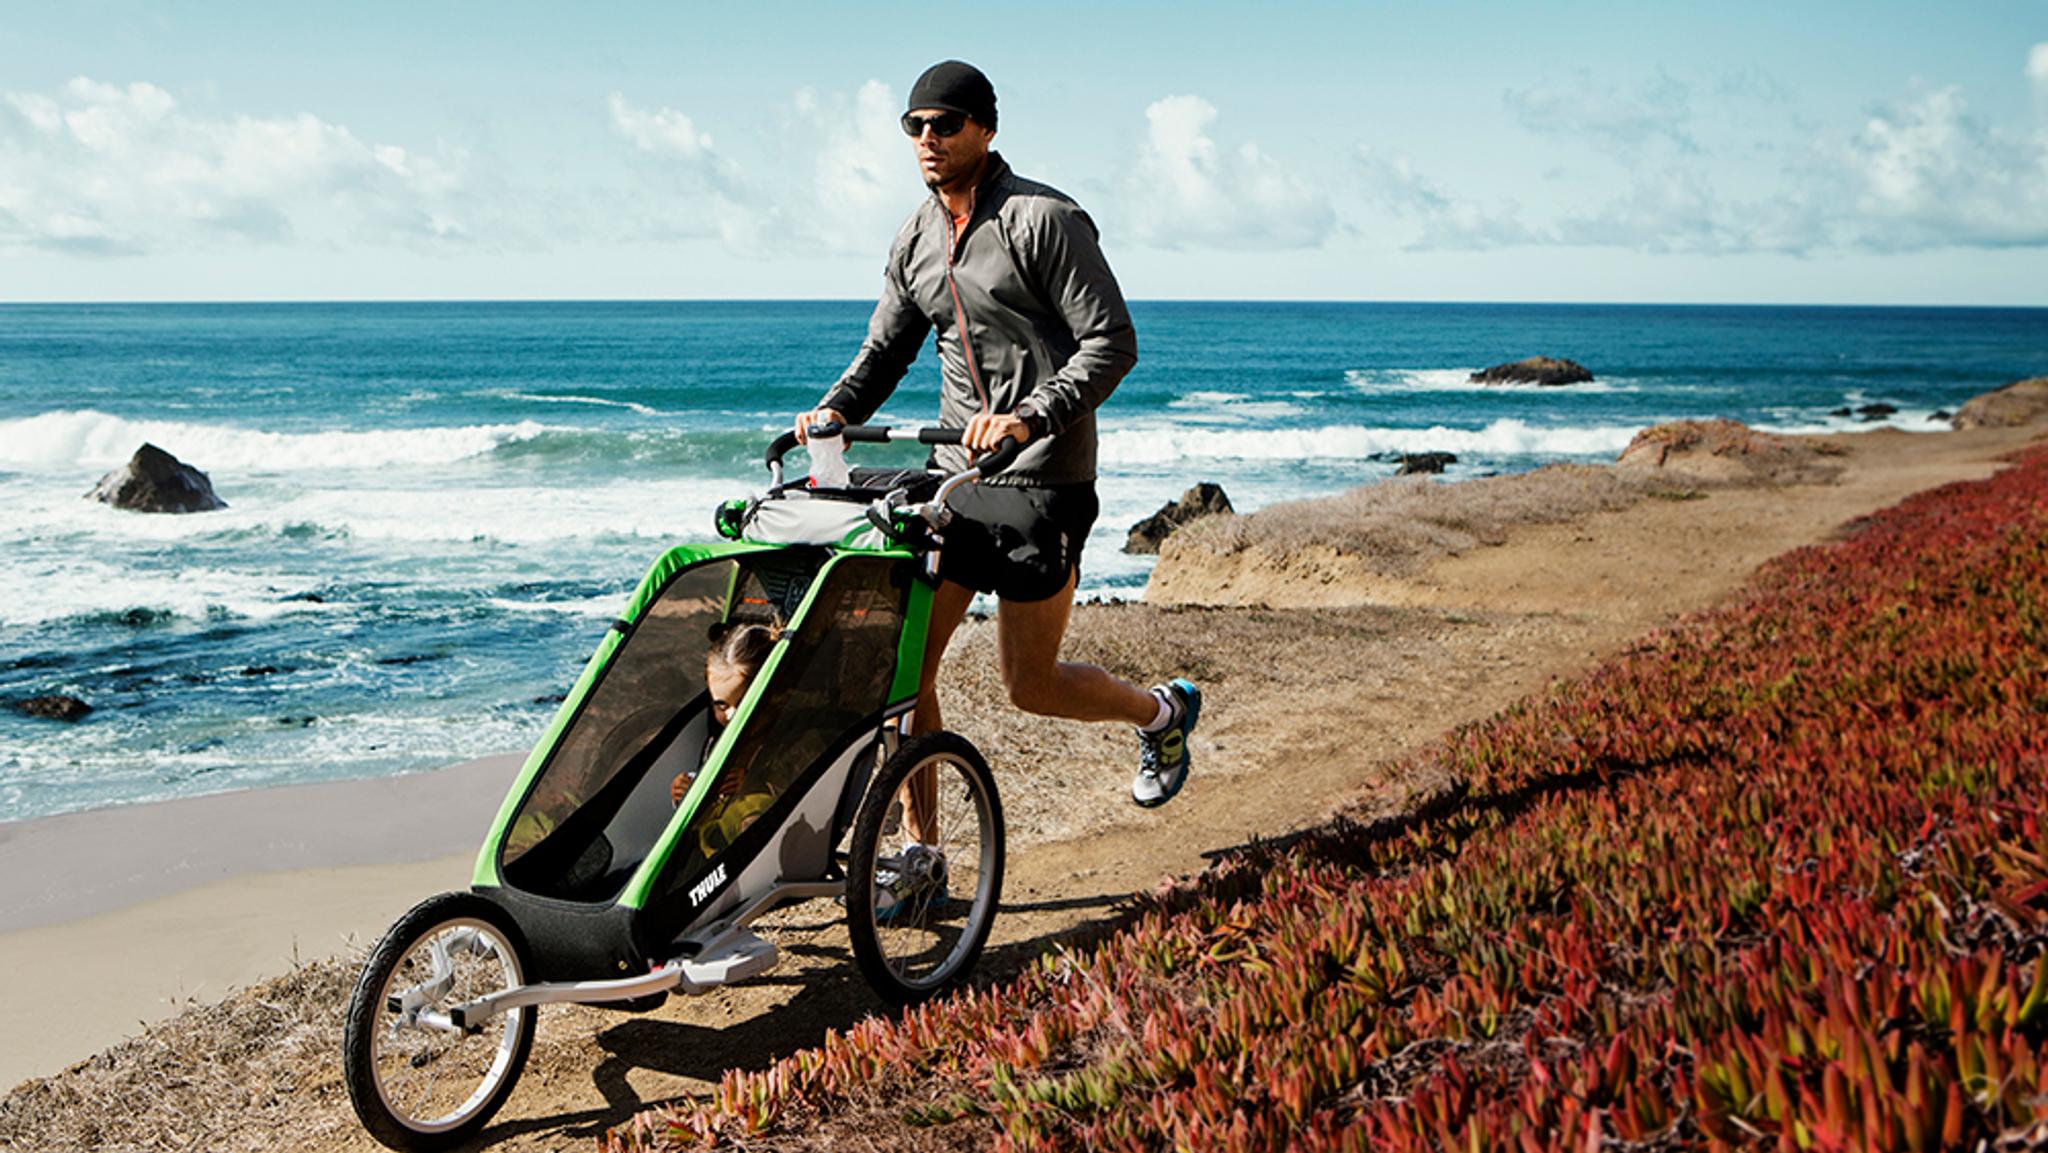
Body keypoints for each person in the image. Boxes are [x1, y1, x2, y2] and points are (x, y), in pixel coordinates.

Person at [794, 60, 1201, 851]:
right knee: (904, 668)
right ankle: (924, 852)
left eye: (944, 124)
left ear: (985, 128)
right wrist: (835, 410)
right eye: (914, 126)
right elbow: (884, 351)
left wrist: (1029, 415)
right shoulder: (916, 236)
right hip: (957, 479)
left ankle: (1163, 712)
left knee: (1032, 685)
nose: (927, 139)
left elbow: (1112, 343)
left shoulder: (1043, 220)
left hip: (1043, 477)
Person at [672, 619, 781, 855]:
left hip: (768, 845)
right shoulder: (716, 741)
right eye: (721, 705)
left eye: (742, 704)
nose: (731, 715)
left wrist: (750, 784)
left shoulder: (788, 738)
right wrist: (685, 792)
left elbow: (800, 788)